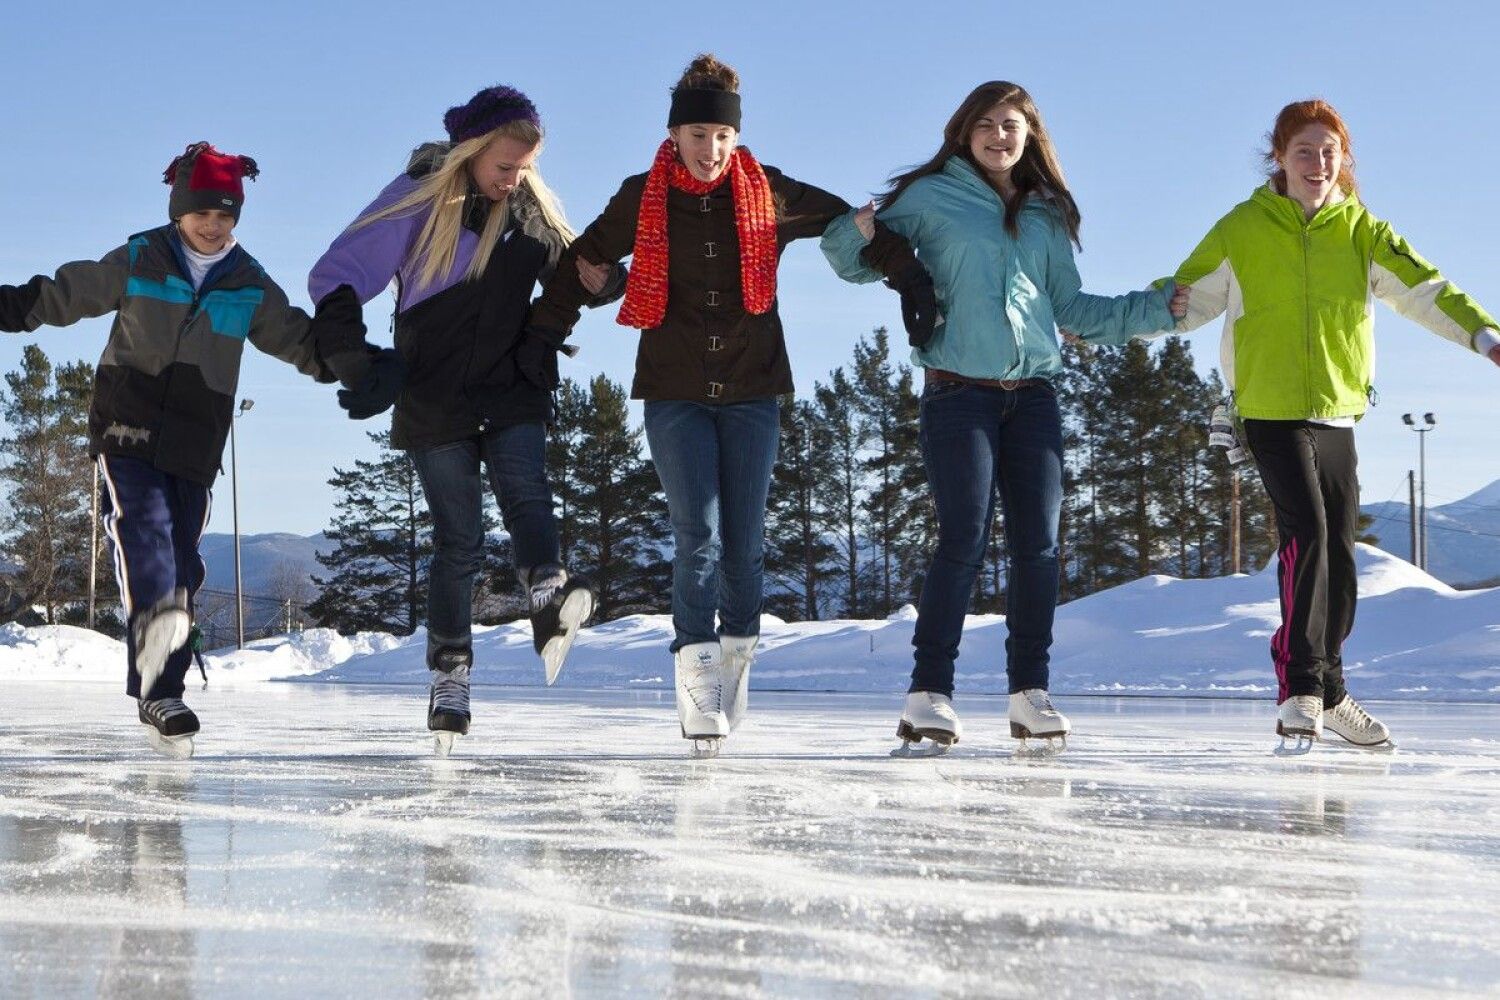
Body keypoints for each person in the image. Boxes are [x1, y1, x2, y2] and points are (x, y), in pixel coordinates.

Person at [527, 54, 927, 757]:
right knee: (698, 535)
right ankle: (696, 677)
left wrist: (910, 279)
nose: (708, 150)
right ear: (674, 134)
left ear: (735, 137)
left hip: (753, 390)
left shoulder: (770, 192)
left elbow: (852, 224)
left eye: (720, 136)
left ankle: (738, 659)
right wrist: (544, 336)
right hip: (674, 390)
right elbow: (582, 264)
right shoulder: (640, 196)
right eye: (695, 135)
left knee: (744, 542)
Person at [822, 81, 1185, 754]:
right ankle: (929, 692)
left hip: (1037, 397)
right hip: (959, 393)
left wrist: (1159, 307)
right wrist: (856, 229)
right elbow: (853, 265)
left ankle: (1029, 693)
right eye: (985, 123)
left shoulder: (1045, 214)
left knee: (1039, 548)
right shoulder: (931, 197)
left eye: (1011, 124)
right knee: (962, 537)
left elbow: (1075, 313)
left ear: (1029, 135)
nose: (998, 134)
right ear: (965, 132)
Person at [1172, 99, 1500, 752]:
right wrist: (1127, 315)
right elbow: (1189, 295)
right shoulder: (1243, 227)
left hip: (1336, 411)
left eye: (1329, 152)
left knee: (1343, 562)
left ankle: (1330, 689)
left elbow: (1424, 290)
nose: (1318, 163)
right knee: (1310, 534)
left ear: (1343, 160)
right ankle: (1298, 687)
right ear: (1279, 157)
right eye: (1304, 150)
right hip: (1266, 408)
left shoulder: (1362, 232)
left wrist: (1485, 336)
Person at [308, 85, 621, 754]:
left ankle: (547, 595)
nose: (515, 180)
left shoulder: (530, 208)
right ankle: (450, 677)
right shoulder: (421, 196)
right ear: (473, 152)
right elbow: (337, 272)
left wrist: (605, 282)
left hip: (512, 382)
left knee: (526, 488)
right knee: (461, 543)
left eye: (526, 167)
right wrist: (349, 353)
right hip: (437, 392)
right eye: (505, 167)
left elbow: (574, 271)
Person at [0, 142, 330, 757]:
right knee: (142, 527)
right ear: (179, 209)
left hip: (197, 436)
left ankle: (162, 689)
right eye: (203, 213)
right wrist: (12, 306)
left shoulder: (250, 283)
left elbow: (301, 345)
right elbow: (66, 294)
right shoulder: (141, 258)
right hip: (128, 421)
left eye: (226, 216)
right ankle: (157, 655)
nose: (213, 226)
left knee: (183, 558)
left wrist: (357, 363)